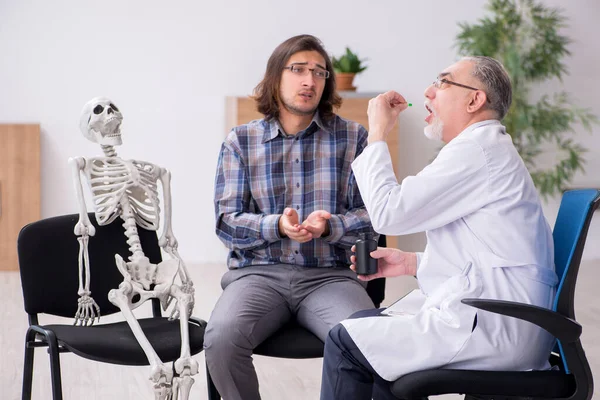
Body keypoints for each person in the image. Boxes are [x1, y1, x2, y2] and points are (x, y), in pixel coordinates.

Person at [319, 56, 558, 400]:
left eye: (443, 82)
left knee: (345, 340)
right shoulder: (481, 148)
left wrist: (376, 132)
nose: (429, 91)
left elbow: (389, 213)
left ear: (475, 100)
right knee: (369, 332)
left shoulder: (477, 150)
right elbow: (485, 252)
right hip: (503, 316)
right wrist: (413, 263)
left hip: (497, 325)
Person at [206, 34, 377, 400]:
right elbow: (226, 221)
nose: (309, 80)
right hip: (258, 274)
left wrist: (331, 226)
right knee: (221, 339)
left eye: (319, 72)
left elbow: (374, 219)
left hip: (331, 276)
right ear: (275, 77)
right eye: (298, 69)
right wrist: (276, 226)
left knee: (370, 341)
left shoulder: (354, 138)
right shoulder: (241, 141)